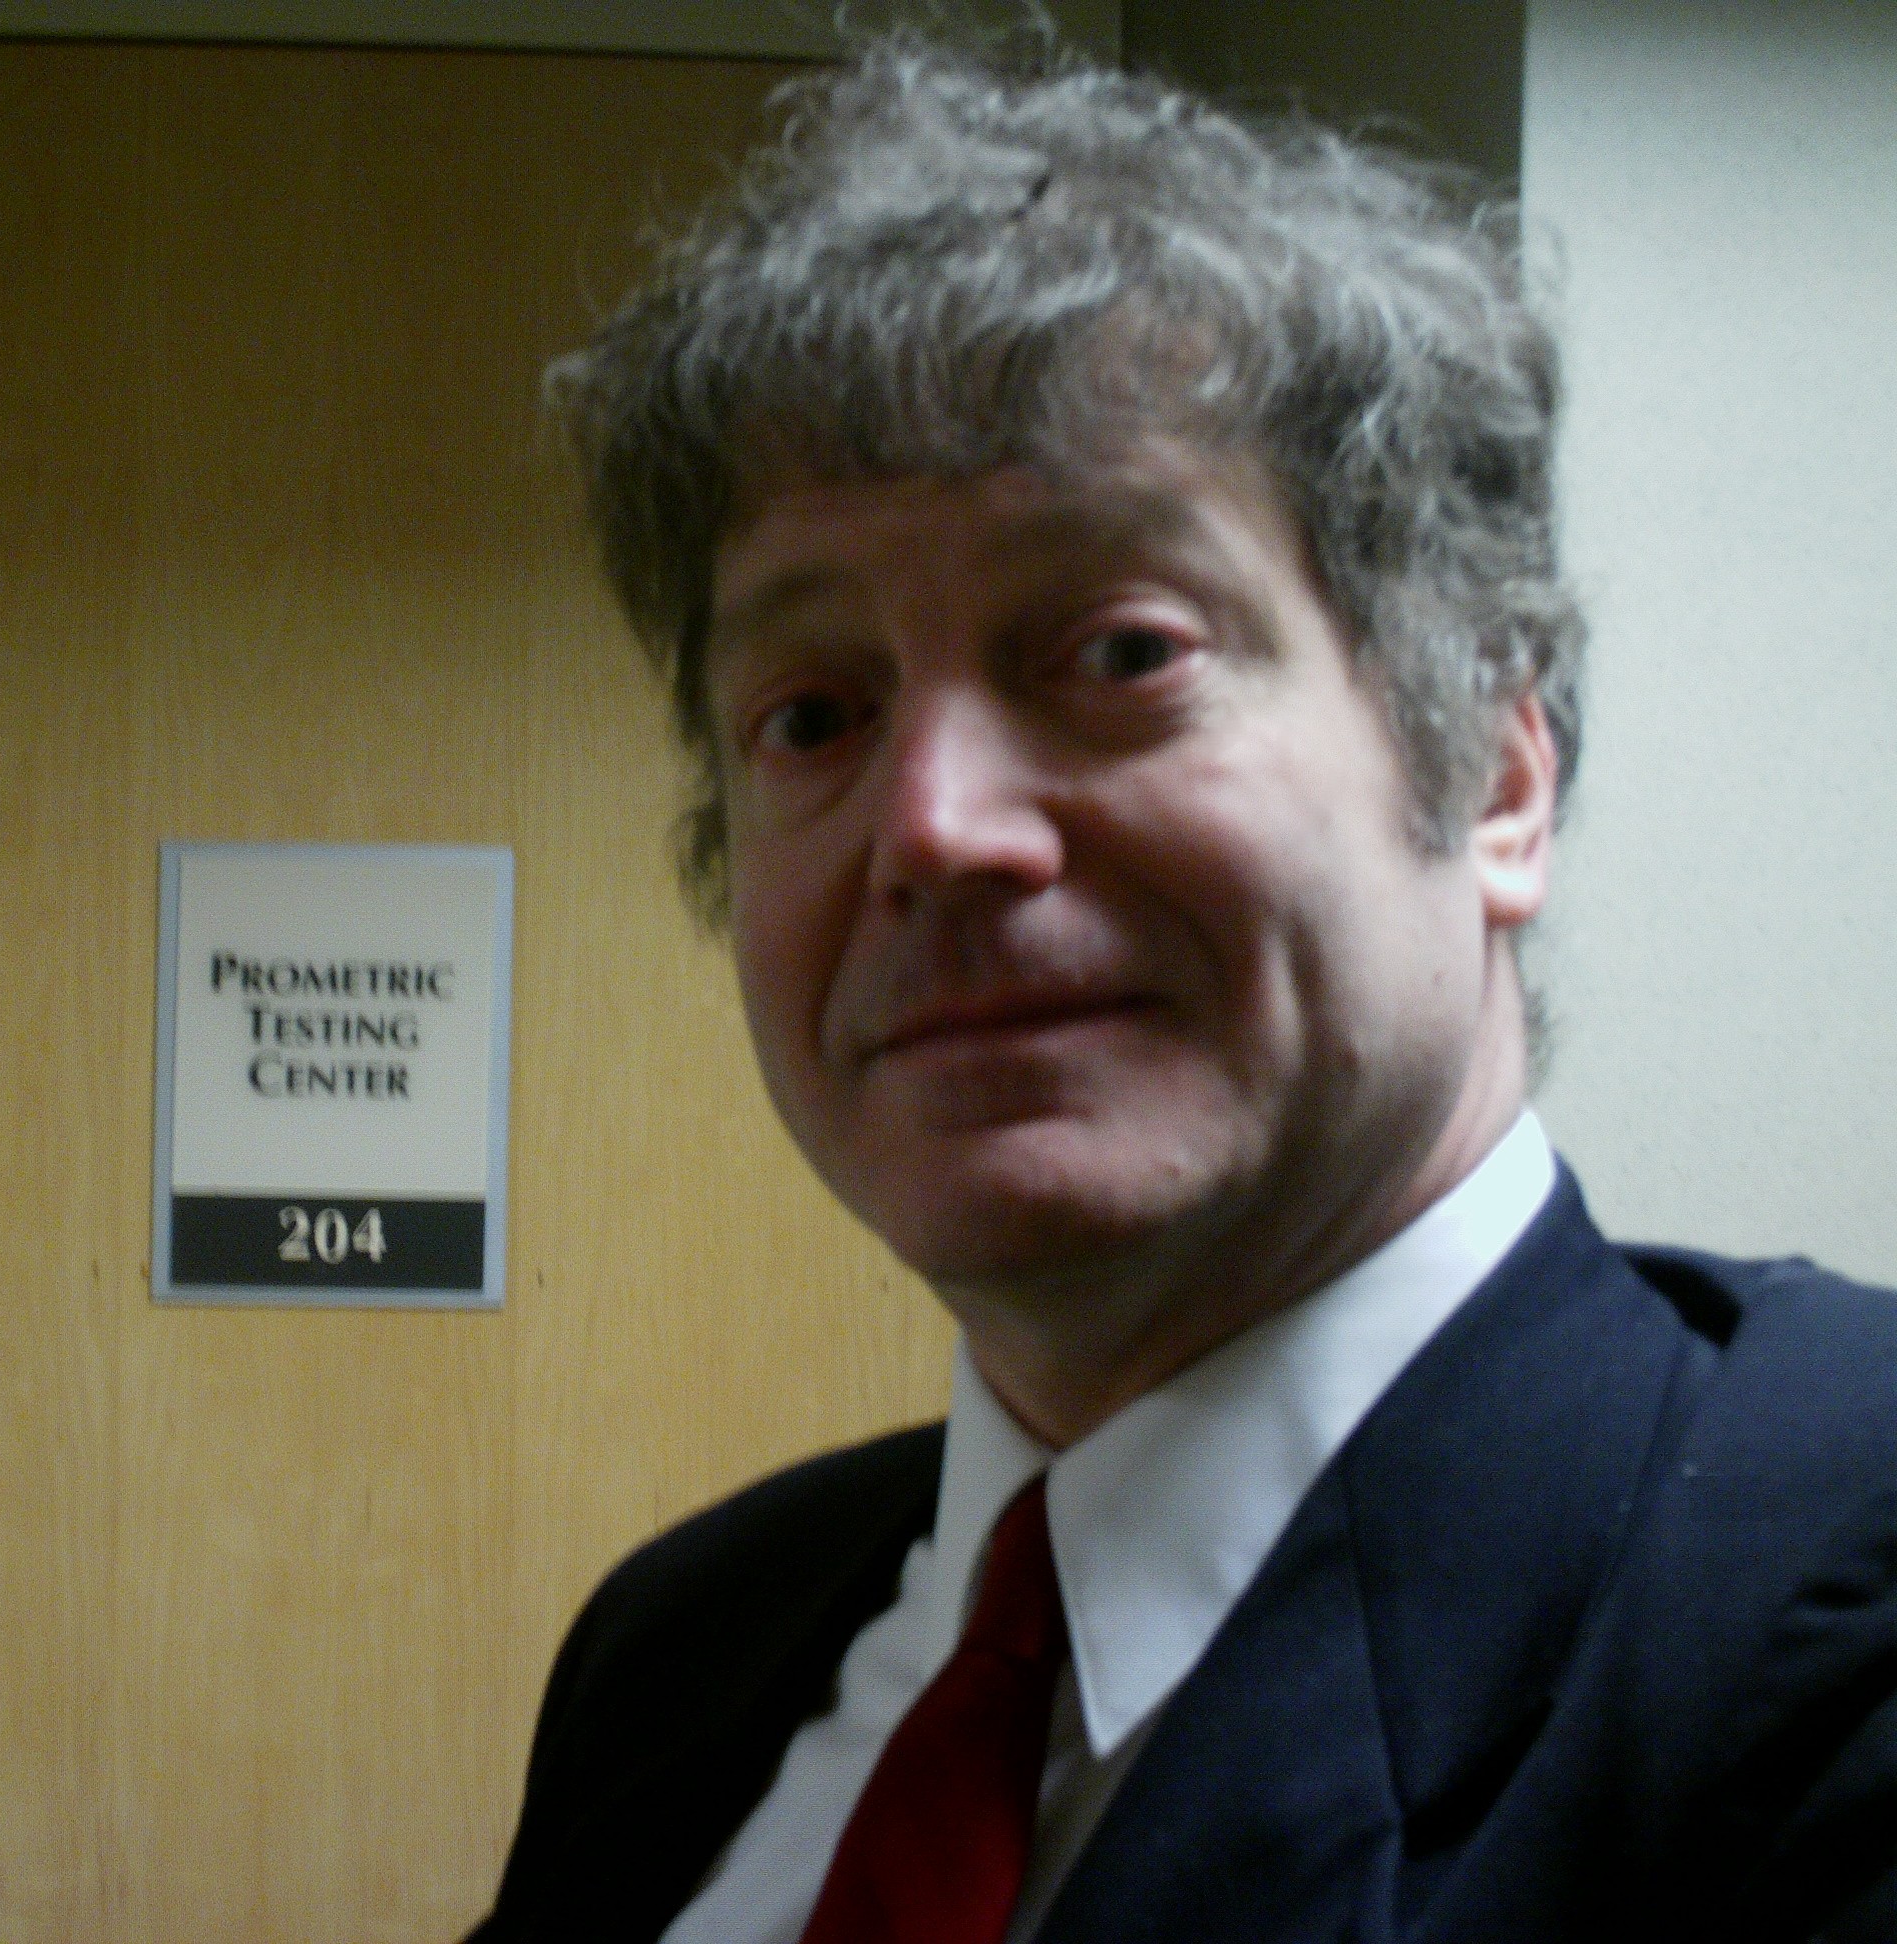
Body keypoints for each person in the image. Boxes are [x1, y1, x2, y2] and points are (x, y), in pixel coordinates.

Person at [468, 31, 1897, 1944]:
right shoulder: (677, 1652)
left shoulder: (1842, 1586)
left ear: (1494, 775)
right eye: (811, 713)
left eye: (1122, 652)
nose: (932, 827)